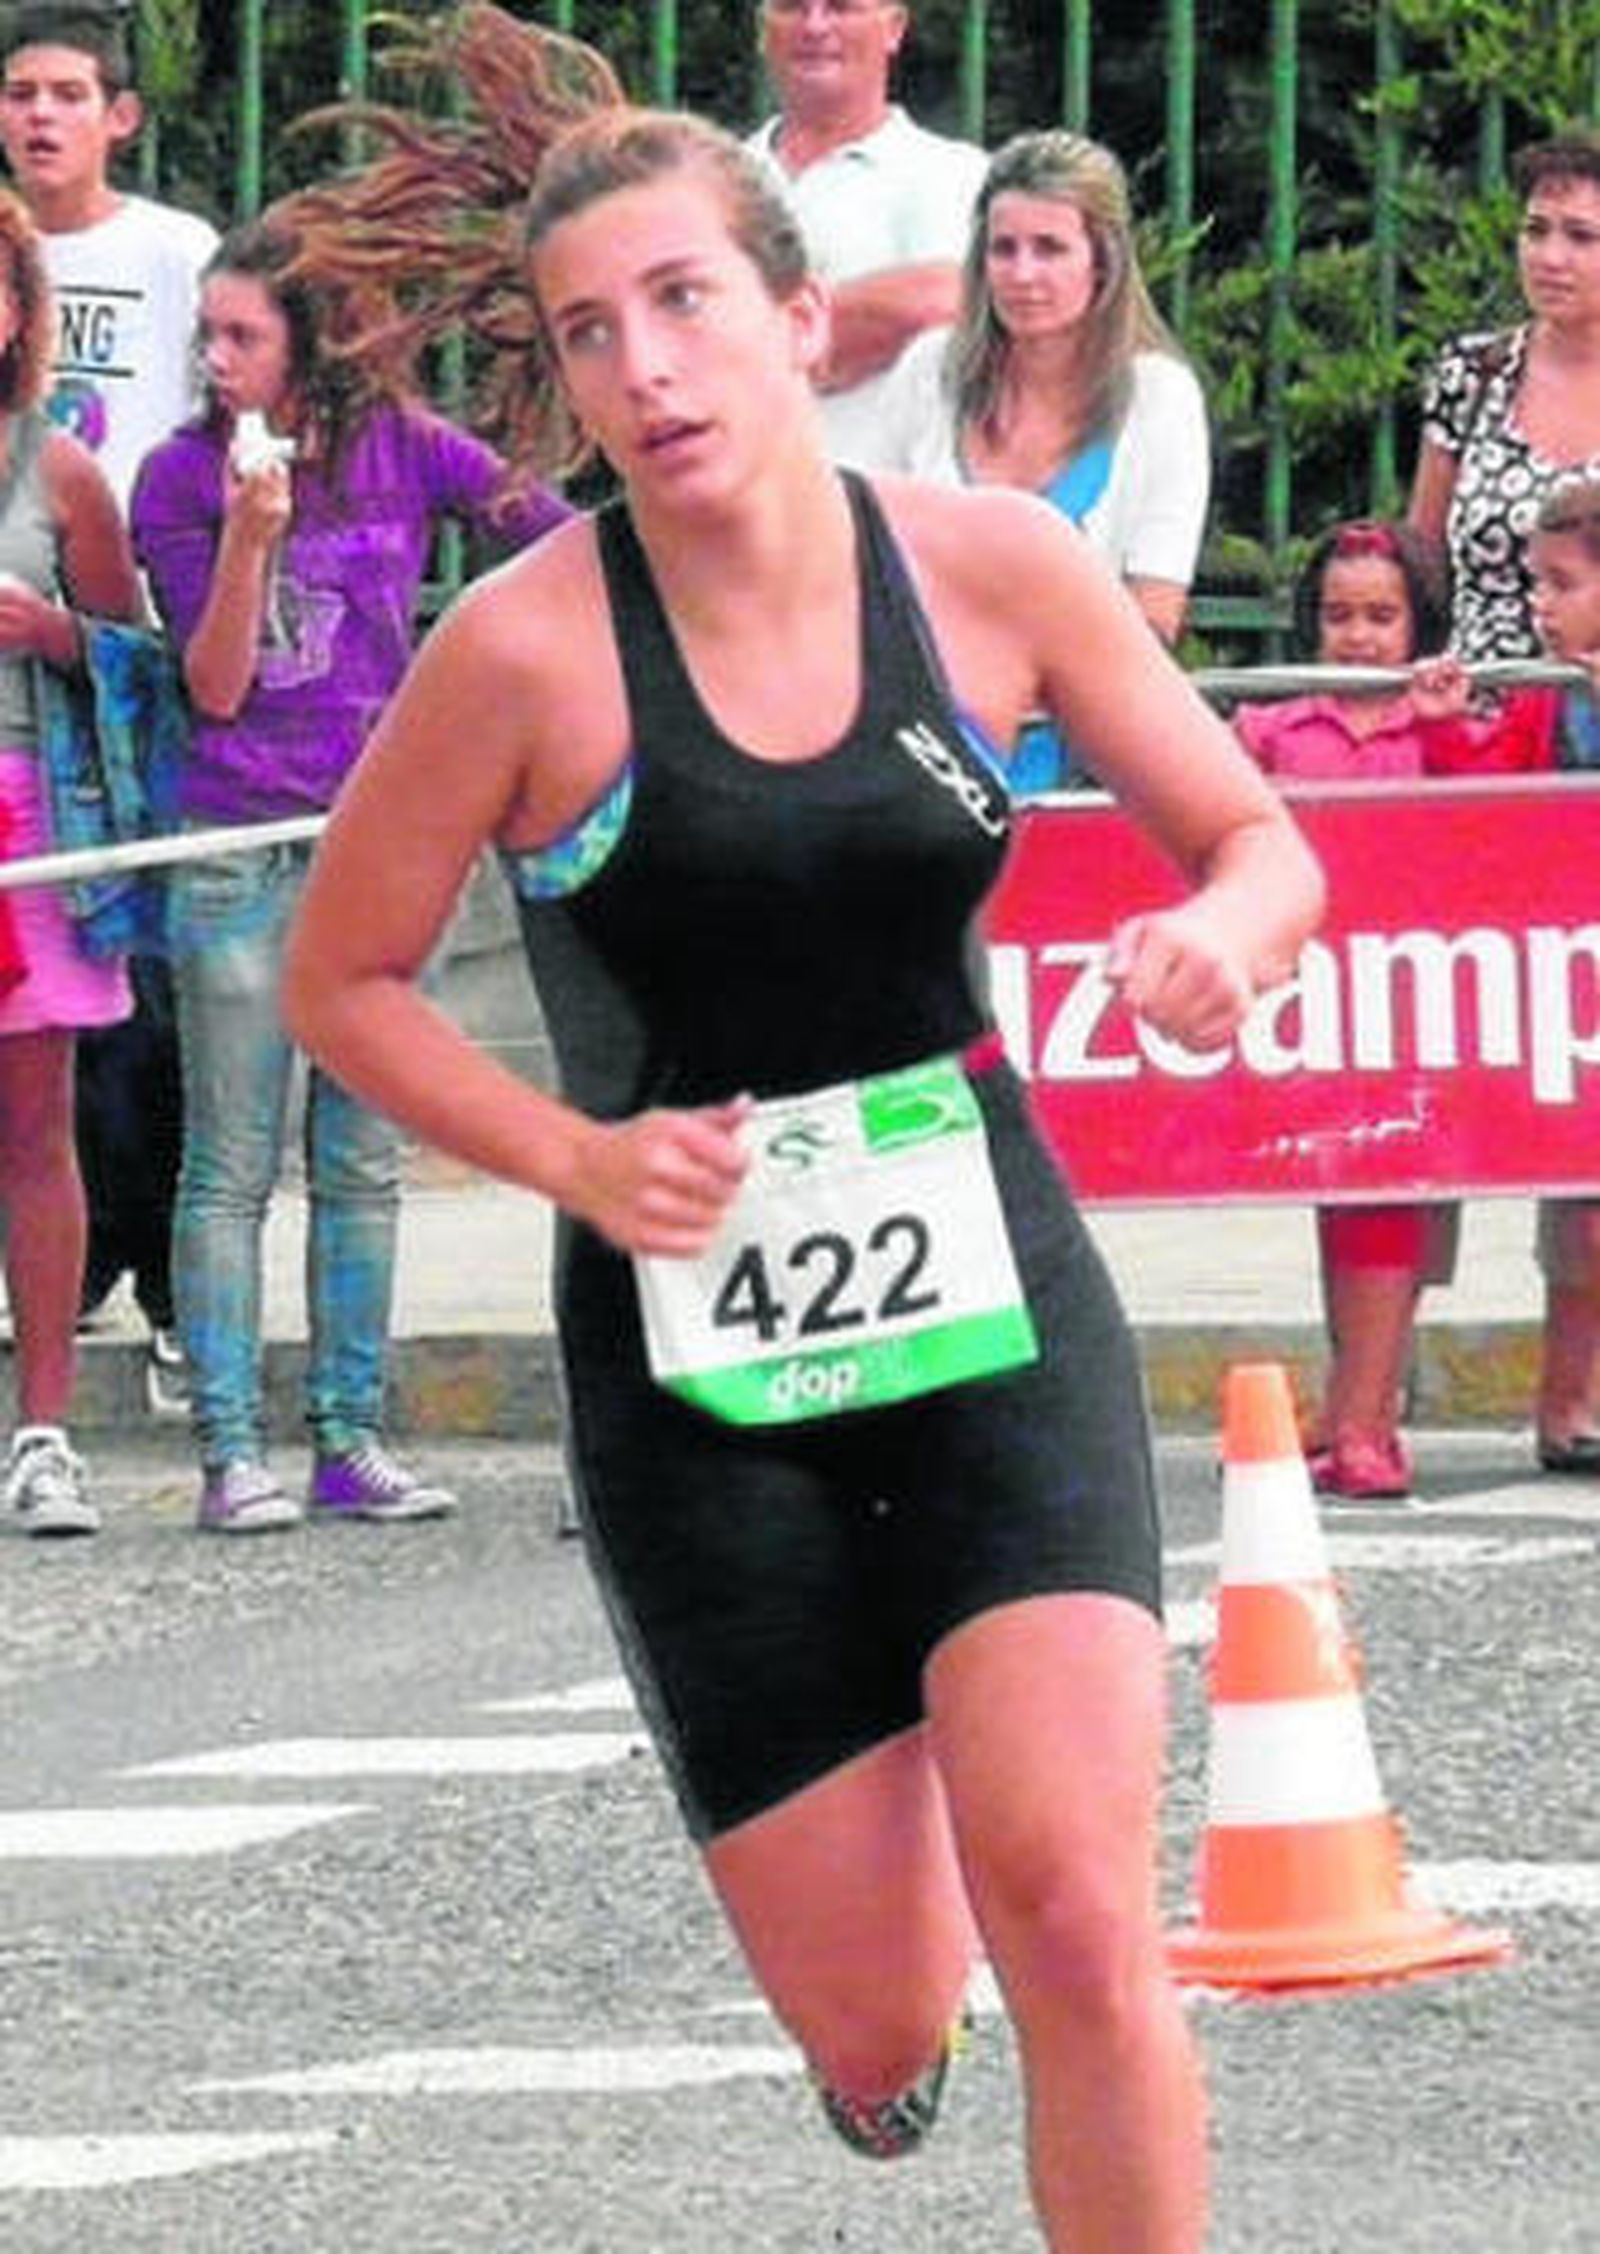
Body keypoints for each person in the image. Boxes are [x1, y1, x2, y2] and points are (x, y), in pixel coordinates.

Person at [276, 15, 1324, 2245]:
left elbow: (1254, 838)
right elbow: (334, 980)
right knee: (877, 2022)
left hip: (975, 1277)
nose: (641, 366)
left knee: (1079, 1915)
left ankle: (1009, 1818)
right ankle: (891, 1964)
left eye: (679, 301)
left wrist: (1228, 927)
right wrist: (569, 1158)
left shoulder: (986, 570)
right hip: (690, 1348)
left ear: (791, 313)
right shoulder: (519, 649)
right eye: (585, 334)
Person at [130, 213, 571, 1536]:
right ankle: (224, 1447)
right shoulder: (174, 478)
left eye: (241, 335)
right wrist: (251, 536)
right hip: (237, 848)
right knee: (231, 1159)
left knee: (363, 1156)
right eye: (204, 334)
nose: (214, 359)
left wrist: (487, 698)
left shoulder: (401, 446)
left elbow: (543, 533)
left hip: (381, 845)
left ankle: (349, 1431)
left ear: (309, 346)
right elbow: (216, 687)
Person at [0, 0, 218, 1413]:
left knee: (145, 1016)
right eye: (19, 92)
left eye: (68, 92)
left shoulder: (172, 255)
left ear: (119, 115)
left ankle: (152, 1291)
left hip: (114, 660)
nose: (40, 116)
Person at [1409, 125, 1600, 1470]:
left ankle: (1571, 1390)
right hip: (1480, 746)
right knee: (1431, 1041)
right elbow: (1422, 551)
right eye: (1537, 227)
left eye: (1581, 234)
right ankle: (1377, 1381)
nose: (1551, 256)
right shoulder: (1470, 372)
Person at [1234, 521, 1487, 1499]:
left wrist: (1441, 728)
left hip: (1422, 997)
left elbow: (1487, 822)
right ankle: (1351, 1405)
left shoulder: (1444, 722)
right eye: (1339, 615)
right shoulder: (1271, 724)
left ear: (1418, 621)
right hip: (1313, 1002)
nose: (1359, 636)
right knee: (1340, 1200)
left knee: (1392, 1204)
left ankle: (1367, 1422)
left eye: (1382, 616)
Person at [873, 127, 1210, 786]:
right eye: (1004, 249)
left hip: (1081, 757)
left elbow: (1154, 616)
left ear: (1102, 261)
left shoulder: (1161, 397)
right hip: (918, 747)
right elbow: (869, 561)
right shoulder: (925, 374)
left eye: (1050, 249)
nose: (1023, 275)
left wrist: (1027, 683)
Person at [0, 184, 144, 1534]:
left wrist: (55, 637)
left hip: (25, 826)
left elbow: (142, 663)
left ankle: (43, 1428)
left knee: (34, 1126)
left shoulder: (60, 471)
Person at [745, 0, 986, 468]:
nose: (814, 25)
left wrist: (736, 338)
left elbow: (942, 303)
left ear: (893, 28)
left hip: (896, 515)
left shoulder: (956, 175)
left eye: (841, 7)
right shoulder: (710, 178)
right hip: (726, 519)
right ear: (763, 29)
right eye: (792, 7)